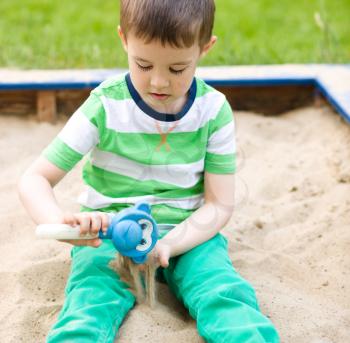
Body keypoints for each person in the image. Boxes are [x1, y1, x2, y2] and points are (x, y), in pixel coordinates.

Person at [18, 0, 280, 342]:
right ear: (124, 39)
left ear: (205, 48)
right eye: (143, 64)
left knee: (223, 293)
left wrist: (170, 244)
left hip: (188, 234)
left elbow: (219, 205)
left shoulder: (213, 111)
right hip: (109, 233)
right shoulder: (105, 105)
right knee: (89, 303)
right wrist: (60, 225)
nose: (159, 81)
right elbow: (35, 179)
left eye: (177, 69)